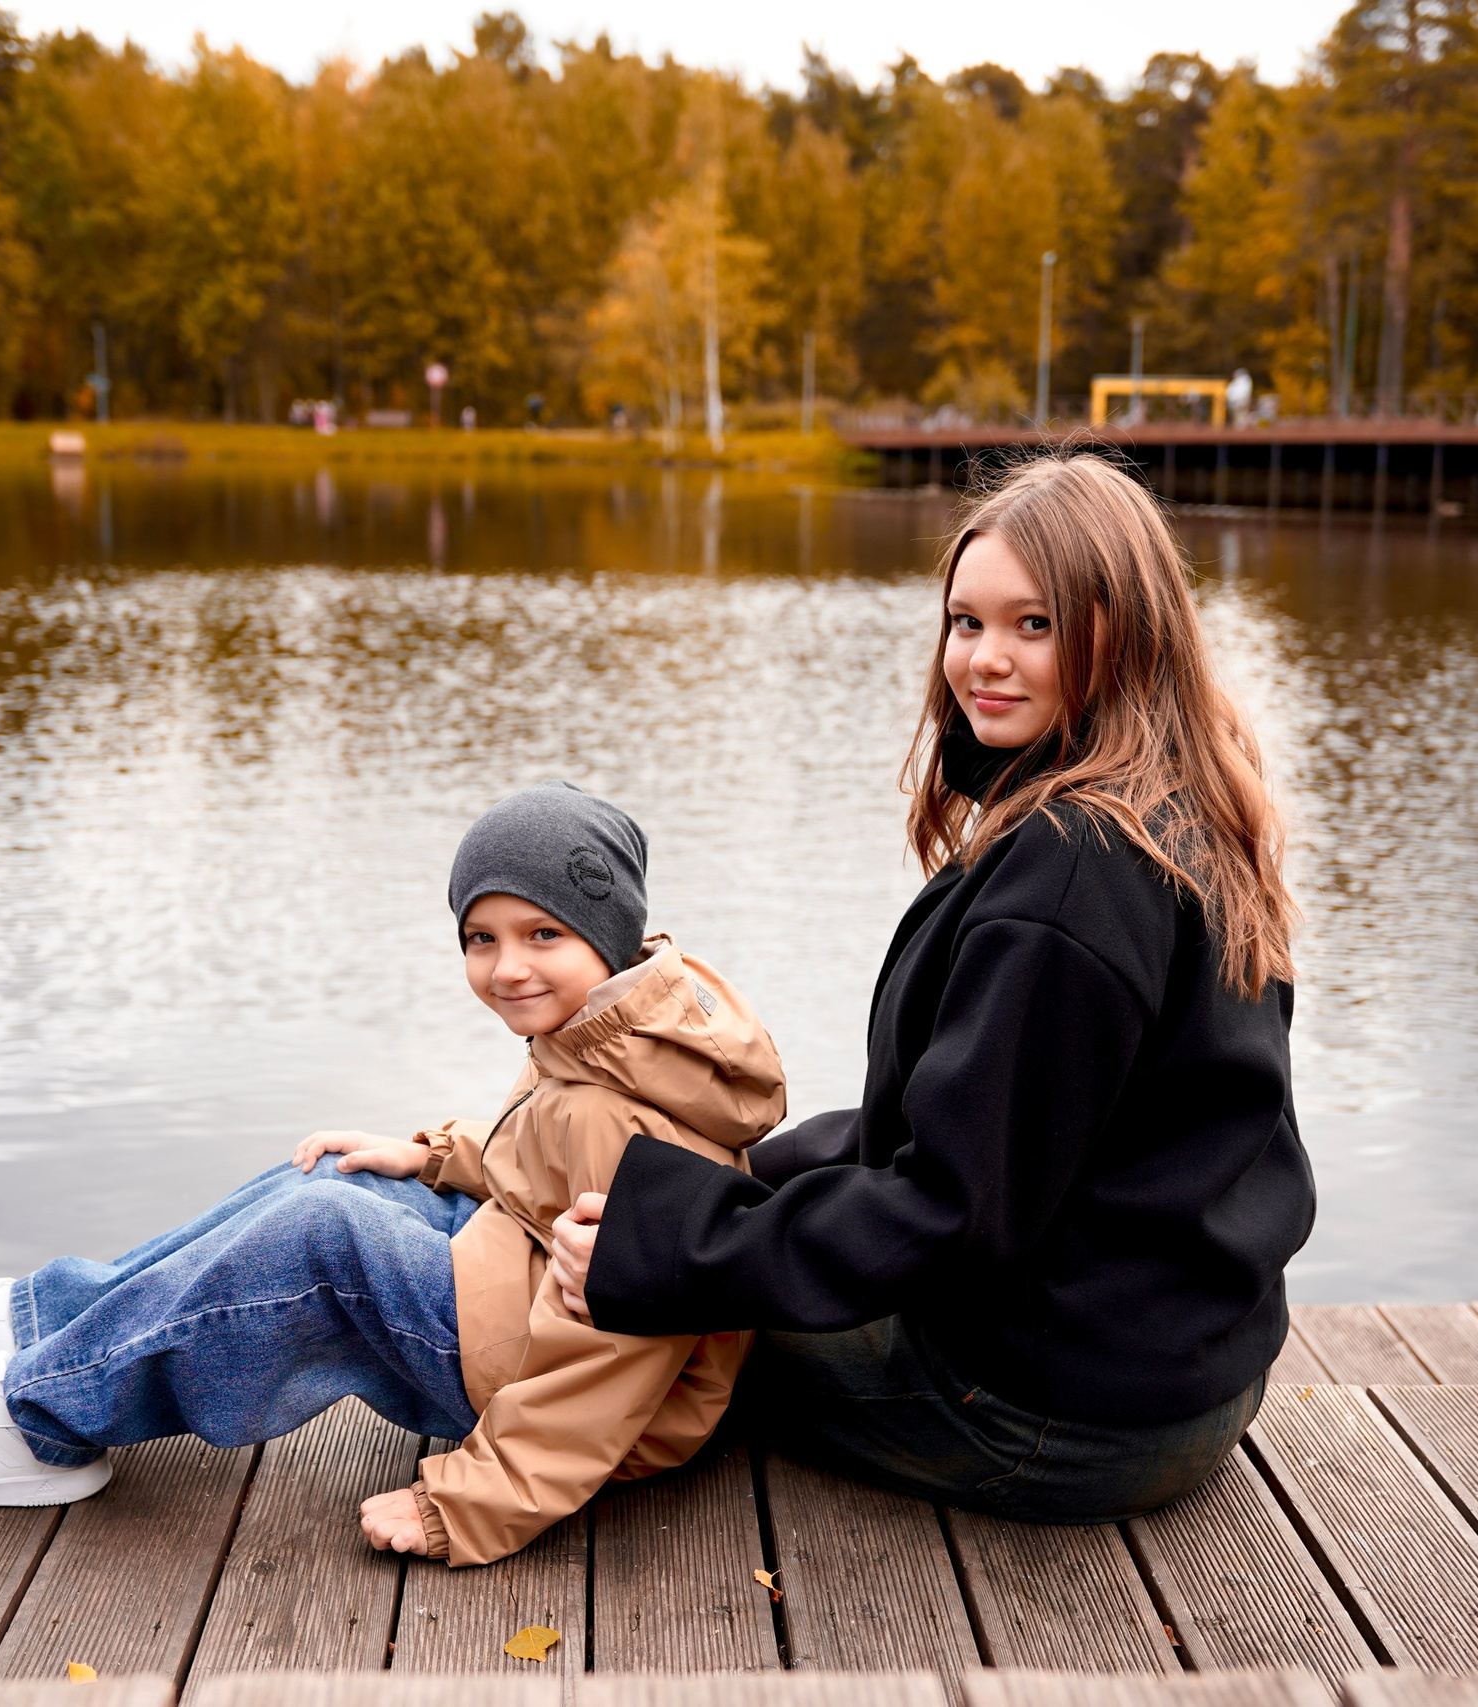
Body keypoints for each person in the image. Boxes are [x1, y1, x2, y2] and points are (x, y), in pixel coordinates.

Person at [547, 452, 1314, 1524]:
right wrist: (723, 1177)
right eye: (966, 622)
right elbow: (962, 1130)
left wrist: (666, 1248)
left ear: (1123, 629)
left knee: (593, 1322)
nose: (983, 660)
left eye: (1032, 626)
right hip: (1186, 1374)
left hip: (1047, 1412)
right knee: (659, 1256)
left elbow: (948, 1210)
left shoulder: (1073, 873)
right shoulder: (1180, 805)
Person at [0, 782, 786, 1565]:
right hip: (516, 1279)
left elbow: (614, 1356)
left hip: (568, 1381)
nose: (506, 968)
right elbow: (540, 1154)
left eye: (542, 935)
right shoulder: (616, 1031)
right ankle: (45, 1322)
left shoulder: (640, 1115)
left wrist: (470, 1504)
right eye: (480, 937)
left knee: (324, 1238)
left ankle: (39, 1423)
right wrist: (437, 1152)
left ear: (608, 940)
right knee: (344, 1179)